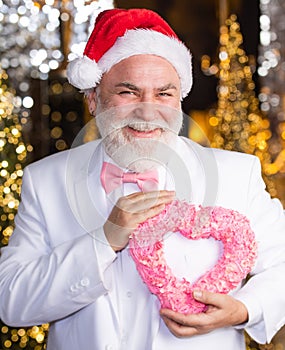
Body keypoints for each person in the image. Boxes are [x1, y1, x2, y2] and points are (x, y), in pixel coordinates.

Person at [1, 8, 285, 350]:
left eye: (163, 94)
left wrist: (242, 310)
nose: (148, 111)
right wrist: (104, 240)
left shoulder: (236, 174)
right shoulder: (44, 181)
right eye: (128, 92)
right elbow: (10, 300)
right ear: (93, 99)